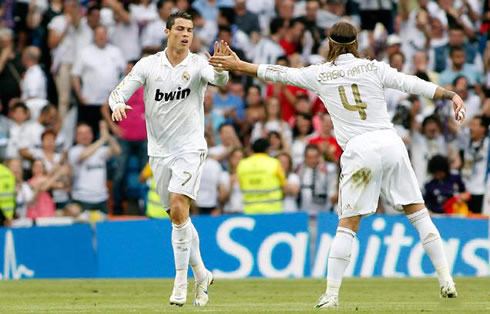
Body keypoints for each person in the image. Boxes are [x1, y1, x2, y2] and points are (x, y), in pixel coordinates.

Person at [209, 21, 465, 309]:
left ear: (329, 44)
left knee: (348, 225)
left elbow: (280, 74)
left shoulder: (320, 74)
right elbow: (411, 83)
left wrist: (240, 65)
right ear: (356, 44)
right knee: (418, 214)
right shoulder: (373, 67)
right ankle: (446, 280)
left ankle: (331, 295)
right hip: (390, 142)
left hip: (359, 149)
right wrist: (450, 94)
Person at [108, 12, 229, 307]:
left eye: (189, 29)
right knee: (179, 217)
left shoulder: (199, 63)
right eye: (180, 28)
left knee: (178, 208)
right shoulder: (149, 65)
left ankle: (180, 283)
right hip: (159, 152)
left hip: (189, 148)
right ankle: (201, 273)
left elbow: (219, 80)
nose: (186, 34)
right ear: (167, 31)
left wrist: (222, 68)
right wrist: (117, 105)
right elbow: (118, 92)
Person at [237, 138, 286, 214]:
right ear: (267, 149)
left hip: (250, 210)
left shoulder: (242, 164)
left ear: (253, 150)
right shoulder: (274, 163)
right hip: (272, 210)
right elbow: (283, 185)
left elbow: (241, 185)